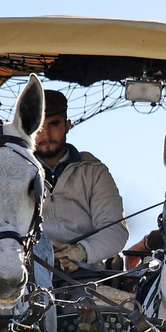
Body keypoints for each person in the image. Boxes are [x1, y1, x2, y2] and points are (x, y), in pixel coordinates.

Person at [34, 90, 128, 270]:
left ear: (67, 125)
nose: (46, 136)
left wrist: (81, 252)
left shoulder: (93, 171)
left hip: (87, 279)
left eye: (54, 125)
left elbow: (115, 231)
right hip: (29, 278)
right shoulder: (15, 172)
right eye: (39, 128)